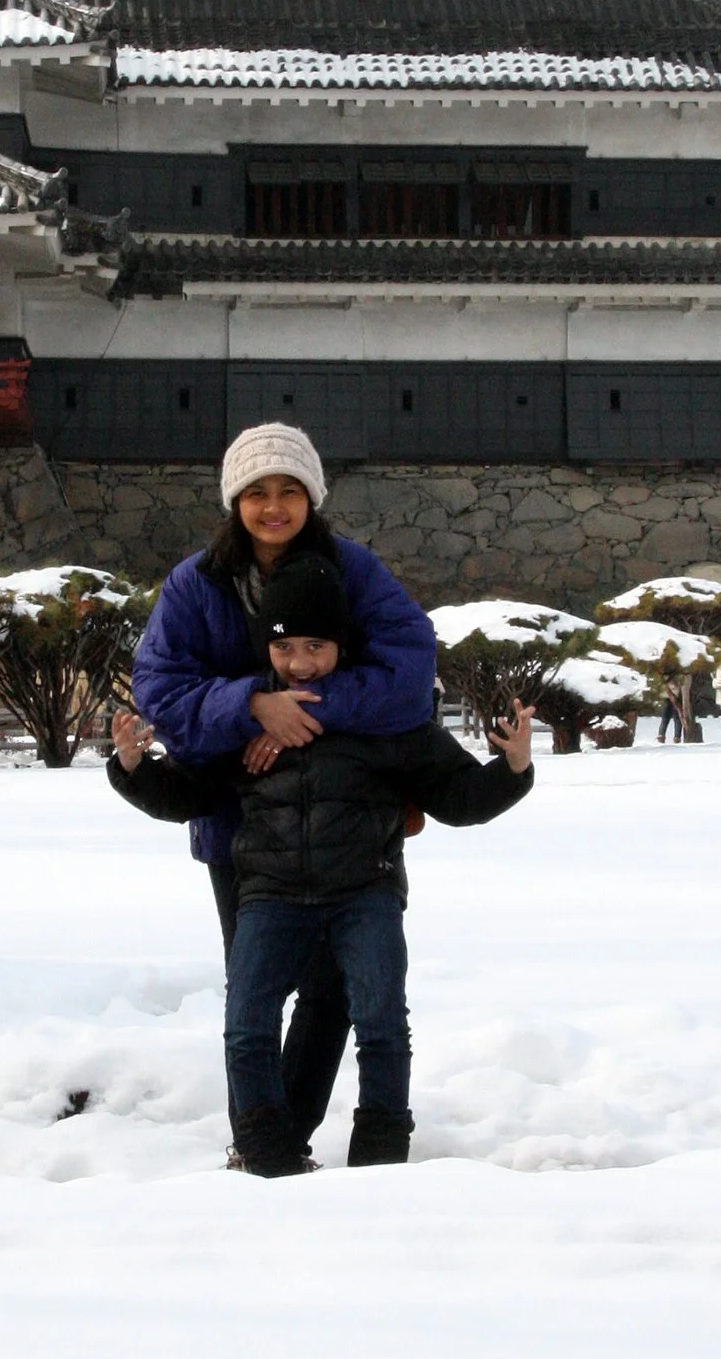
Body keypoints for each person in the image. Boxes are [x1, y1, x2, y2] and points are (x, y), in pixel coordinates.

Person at [113, 548, 533, 1173]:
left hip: (366, 894)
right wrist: (131, 768)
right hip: (269, 896)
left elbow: (458, 798)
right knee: (247, 1021)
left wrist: (514, 767)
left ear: (342, 645)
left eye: (317, 646)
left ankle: (381, 1150)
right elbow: (188, 793)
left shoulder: (385, 718)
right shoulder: (251, 723)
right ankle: (265, 1151)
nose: (301, 663)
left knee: (382, 1020)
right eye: (284, 649)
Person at [124, 423, 438, 1155]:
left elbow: (409, 670)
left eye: (289, 490)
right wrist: (249, 706)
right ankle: (261, 1139)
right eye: (256, 492)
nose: (273, 506)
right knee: (254, 994)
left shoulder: (352, 570)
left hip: (347, 819)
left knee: (333, 992)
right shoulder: (194, 582)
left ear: (312, 497)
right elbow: (158, 685)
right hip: (239, 818)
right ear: (235, 500)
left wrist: (302, 710)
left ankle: (282, 1133)